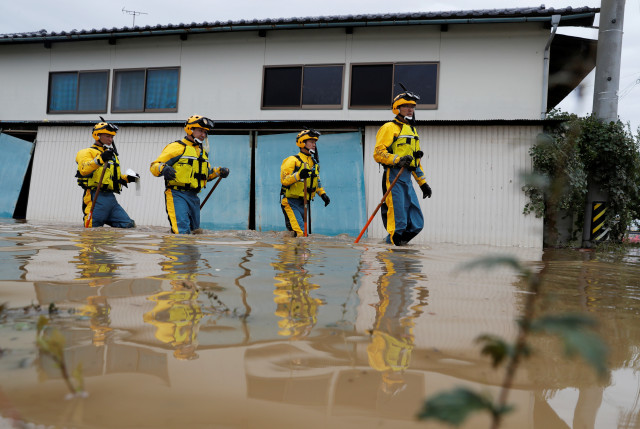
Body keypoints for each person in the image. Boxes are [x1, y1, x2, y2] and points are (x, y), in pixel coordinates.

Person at [150, 115, 229, 234]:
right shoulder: (177, 147)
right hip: (176, 194)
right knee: (181, 233)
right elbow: (154, 166)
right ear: (190, 130)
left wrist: (218, 172)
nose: (203, 135)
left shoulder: (202, 152)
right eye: (200, 131)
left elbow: (205, 175)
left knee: (195, 232)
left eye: (205, 132)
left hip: (194, 197)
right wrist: (163, 168)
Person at [373, 89, 432, 245]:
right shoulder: (389, 127)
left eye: (412, 106)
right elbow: (378, 153)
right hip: (393, 176)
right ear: (397, 108)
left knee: (416, 224)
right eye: (406, 106)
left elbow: (415, 162)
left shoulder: (412, 131)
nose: (410, 109)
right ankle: (393, 262)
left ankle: (391, 247)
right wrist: (397, 160)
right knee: (398, 225)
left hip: (407, 179)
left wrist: (423, 184)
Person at [75, 120, 137, 228]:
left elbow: (114, 177)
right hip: (95, 196)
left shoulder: (110, 155)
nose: (110, 139)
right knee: (92, 230)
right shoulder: (86, 152)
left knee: (128, 225)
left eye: (112, 137)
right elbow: (83, 169)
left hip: (110, 199)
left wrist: (128, 178)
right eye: (108, 136)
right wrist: (100, 159)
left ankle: (108, 245)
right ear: (97, 135)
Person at [280, 129, 331, 237]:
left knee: (296, 234)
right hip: (290, 202)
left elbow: (317, 181)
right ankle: (294, 252)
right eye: (311, 142)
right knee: (301, 233)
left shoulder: (313, 162)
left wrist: (323, 194)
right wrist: (299, 175)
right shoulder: (292, 160)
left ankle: (290, 252)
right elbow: (284, 180)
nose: (314, 145)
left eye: (315, 143)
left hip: (304, 203)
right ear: (302, 143)